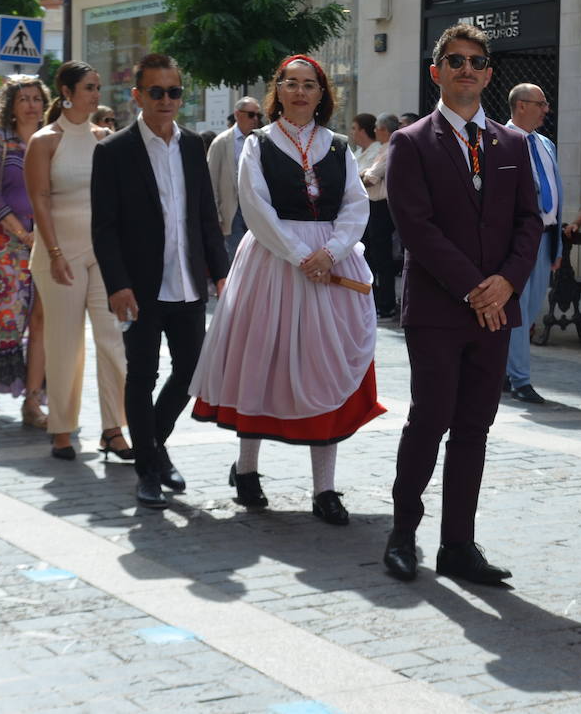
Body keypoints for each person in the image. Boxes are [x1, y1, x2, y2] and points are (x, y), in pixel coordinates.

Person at [191, 55, 385, 522]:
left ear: (323, 93)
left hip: (331, 265)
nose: (300, 92)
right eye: (291, 84)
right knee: (264, 359)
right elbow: (256, 208)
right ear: (278, 90)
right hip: (275, 264)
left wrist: (332, 253)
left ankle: (325, 490)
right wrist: (303, 256)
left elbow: (356, 208)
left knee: (326, 364)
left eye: (310, 84)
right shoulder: (257, 144)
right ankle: (247, 469)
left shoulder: (338, 147)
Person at [381, 23, 542, 585]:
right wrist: (477, 287)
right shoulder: (410, 142)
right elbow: (416, 228)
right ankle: (403, 533)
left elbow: (529, 222)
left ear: (489, 74)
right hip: (439, 310)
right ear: (437, 72)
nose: (466, 69)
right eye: (455, 61)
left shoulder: (513, 144)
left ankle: (458, 545)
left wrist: (507, 283)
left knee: (474, 428)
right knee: (428, 421)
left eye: (476, 61)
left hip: (497, 311)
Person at [91, 53, 229, 509]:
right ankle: (148, 470)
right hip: (140, 287)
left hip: (188, 283)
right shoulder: (113, 151)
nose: (166, 100)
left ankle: (152, 445)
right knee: (142, 376)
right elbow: (104, 226)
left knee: (191, 372)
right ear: (137, 96)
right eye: (156, 92)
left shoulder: (192, 145)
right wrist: (117, 284)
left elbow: (206, 217)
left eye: (174, 91)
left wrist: (222, 274)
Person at [26, 62, 131, 460]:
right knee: (65, 342)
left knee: (112, 339)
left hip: (103, 254)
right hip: (59, 255)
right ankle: (63, 429)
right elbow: (39, 199)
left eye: (98, 87)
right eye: (89, 87)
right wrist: (52, 253)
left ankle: (113, 428)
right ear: (67, 91)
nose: (96, 94)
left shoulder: (106, 138)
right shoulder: (45, 140)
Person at [0, 75, 51, 428]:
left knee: (41, 321)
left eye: (36, 98)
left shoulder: (52, 141)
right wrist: (21, 232)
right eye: (23, 99)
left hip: (48, 242)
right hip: (6, 245)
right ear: (11, 107)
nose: (31, 105)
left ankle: (32, 403)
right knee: (4, 319)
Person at [503, 83, 562, 404]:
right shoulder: (497, 139)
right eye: (541, 104)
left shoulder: (545, 144)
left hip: (545, 240)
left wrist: (557, 248)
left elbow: (556, 194)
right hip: (516, 241)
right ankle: (520, 379)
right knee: (519, 313)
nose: (546, 109)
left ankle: (504, 371)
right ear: (521, 105)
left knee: (530, 310)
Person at [208, 96, 263, 258]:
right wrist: (216, 216)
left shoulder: (260, 141)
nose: (255, 120)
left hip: (255, 209)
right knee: (237, 257)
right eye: (251, 115)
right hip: (232, 211)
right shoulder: (221, 142)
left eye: (258, 116)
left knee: (256, 259)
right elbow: (211, 181)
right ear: (238, 114)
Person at [361, 113, 399, 319]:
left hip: (382, 207)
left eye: (377, 127)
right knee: (373, 255)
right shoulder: (384, 148)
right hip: (375, 207)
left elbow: (371, 178)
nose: (374, 130)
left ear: (384, 129)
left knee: (382, 257)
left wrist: (364, 175)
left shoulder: (391, 148)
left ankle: (386, 304)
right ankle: (379, 300)